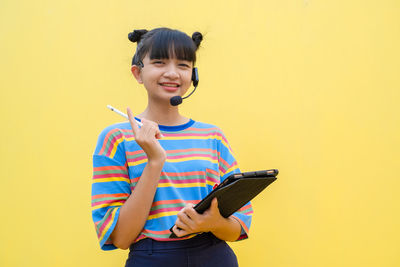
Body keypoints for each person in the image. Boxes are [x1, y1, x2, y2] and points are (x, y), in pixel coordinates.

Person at [91, 27, 253, 267]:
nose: (172, 73)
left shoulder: (213, 136)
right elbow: (121, 238)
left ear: (193, 75)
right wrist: (154, 161)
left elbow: (238, 226)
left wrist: (212, 223)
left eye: (183, 65)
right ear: (137, 73)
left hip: (214, 255)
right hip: (151, 258)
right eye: (159, 62)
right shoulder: (116, 137)